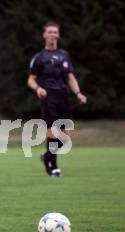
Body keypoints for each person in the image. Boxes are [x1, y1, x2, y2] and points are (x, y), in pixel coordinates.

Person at [27, 21, 87, 177]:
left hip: (63, 96)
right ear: (44, 35)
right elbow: (31, 79)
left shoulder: (64, 55)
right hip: (48, 96)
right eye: (50, 32)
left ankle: (47, 156)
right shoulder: (39, 57)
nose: (53, 34)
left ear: (58, 35)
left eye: (55, 32)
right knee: (52, 133)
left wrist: (78, 93)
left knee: (65, 138)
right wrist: (38, 88)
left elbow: (70, 77)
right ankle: (52, 167)